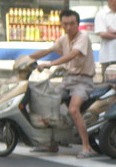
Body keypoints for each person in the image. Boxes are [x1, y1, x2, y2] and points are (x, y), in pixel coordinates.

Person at [29, 9, 98, 158]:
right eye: (65, 24)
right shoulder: (63, 39)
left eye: (72, 24)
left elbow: (72, 55)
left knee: (73, 110)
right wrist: (26, 59)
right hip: (67, 80)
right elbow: (48, 50)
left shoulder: (83, 37)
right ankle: (51, 143)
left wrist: (50, 64)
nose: (68, 27)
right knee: (47, 104)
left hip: (83, 81)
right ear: (61, 24)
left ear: (78, 24)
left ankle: (87, 147)